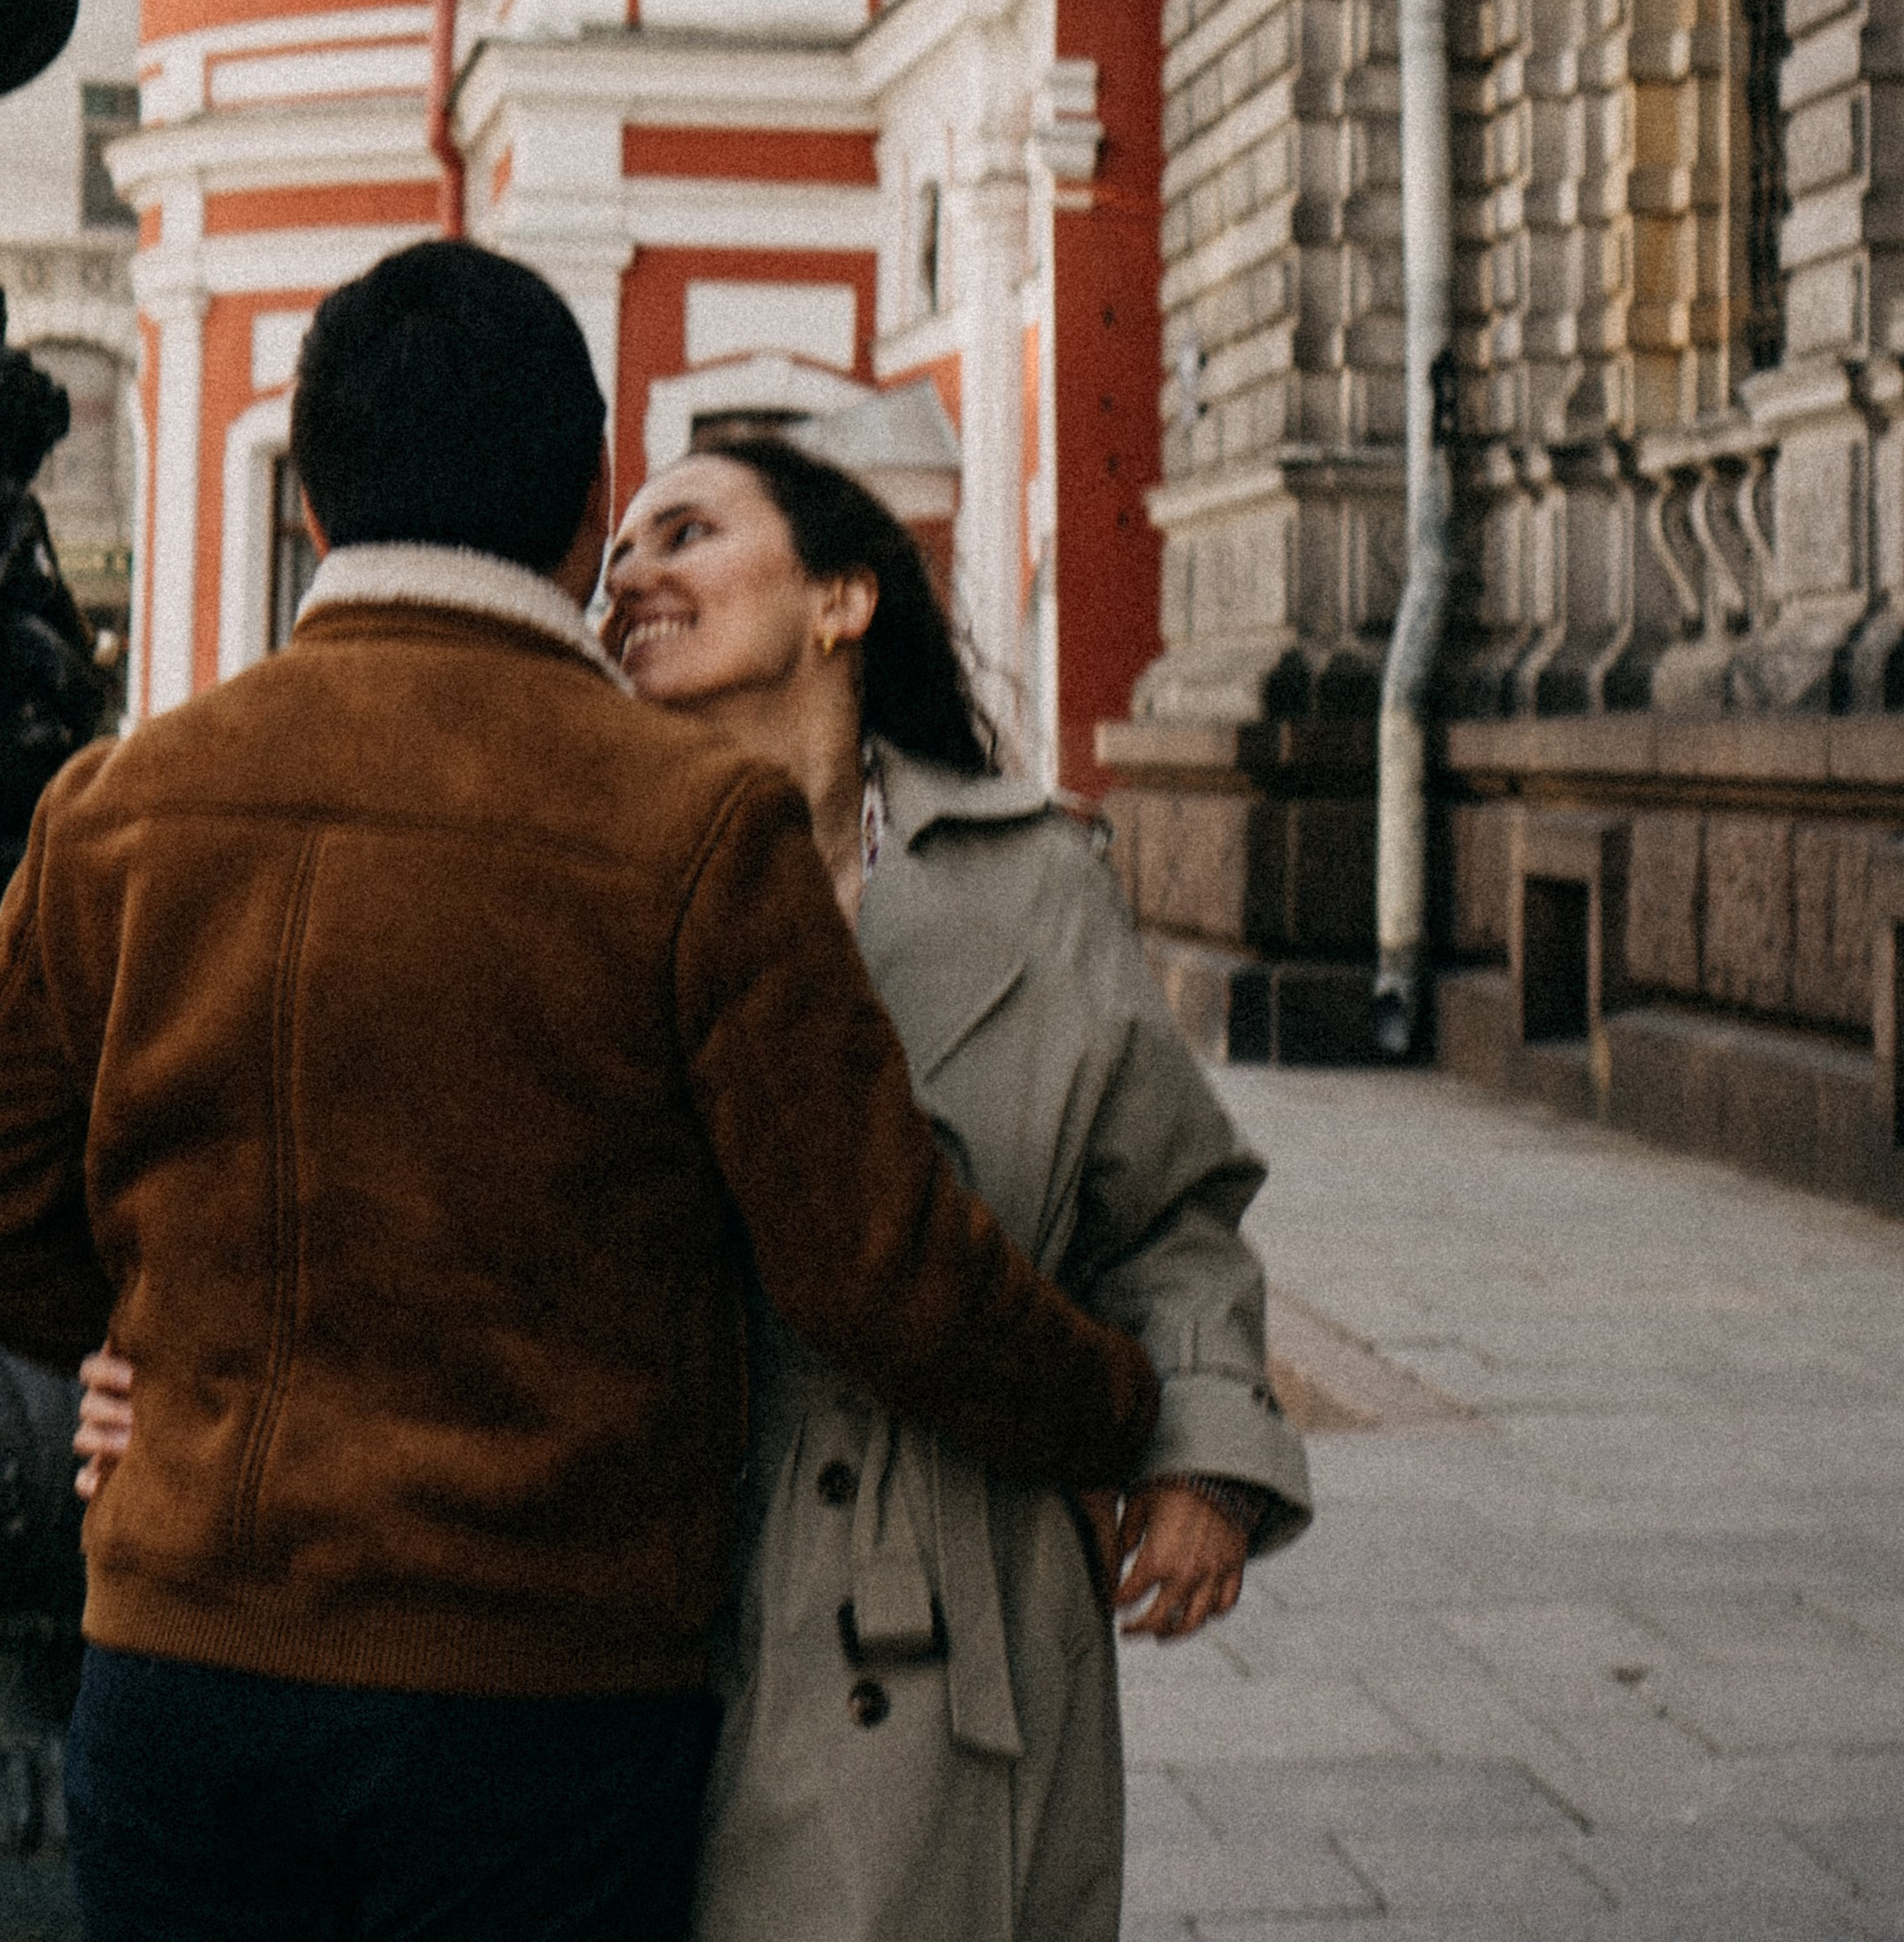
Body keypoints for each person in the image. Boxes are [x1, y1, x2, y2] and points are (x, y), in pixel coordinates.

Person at [0, 241, 1167, 1942]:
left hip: (183, 1667)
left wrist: (151, 1345)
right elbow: (879, 1268)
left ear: (317, 509)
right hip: (539, 1696)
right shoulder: (691, 828)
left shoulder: (129, 800)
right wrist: (1124, 1412)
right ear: (585, 503)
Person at [80, 421, 1314, 1942]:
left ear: (842, 602)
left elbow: (1170, 1212)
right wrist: (185, 1355)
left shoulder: (1034, 884)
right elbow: (326, 1162)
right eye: (622, 550)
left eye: (690, 535)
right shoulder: (540, 859)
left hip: (920, 1609)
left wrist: (1201, 1454)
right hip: (589, 1607)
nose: (631, 579)